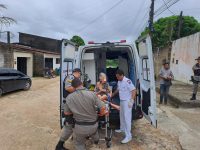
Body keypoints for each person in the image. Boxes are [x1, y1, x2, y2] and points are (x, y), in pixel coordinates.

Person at [64, 78, 107, 150]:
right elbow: (103, 107)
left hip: (79, 128)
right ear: (82, 84)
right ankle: (96, 142)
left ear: (73, 87)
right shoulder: (92, 94)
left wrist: (75, 110)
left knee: (79, 143)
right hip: (93, 126)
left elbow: (66, 112)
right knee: (94, 132)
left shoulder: (69, 97)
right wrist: (102, 114)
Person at [56, 68, 81, 150]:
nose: (80, 75)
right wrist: (79, 89)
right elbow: (68, 88)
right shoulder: (70, 77)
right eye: (79, 73)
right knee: (69, 123)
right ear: (76, 72)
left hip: (73, 103)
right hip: (69, 103)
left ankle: (71, 138)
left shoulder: (75, 79)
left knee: (74, 123)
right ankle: (59, 146)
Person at [112, 69, 136, 144]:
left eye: (118, 77)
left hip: (127, 102)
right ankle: (122, 128)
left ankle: (129, 136)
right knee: (121, 115)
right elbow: (118, 90)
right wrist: (112, 95)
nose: (117, 78)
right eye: (116, 77)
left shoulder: (127, 81)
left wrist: (131, 100)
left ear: (122, 75)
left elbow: (134, 90)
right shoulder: (119, 81)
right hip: (122, 101)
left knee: (127, 118)